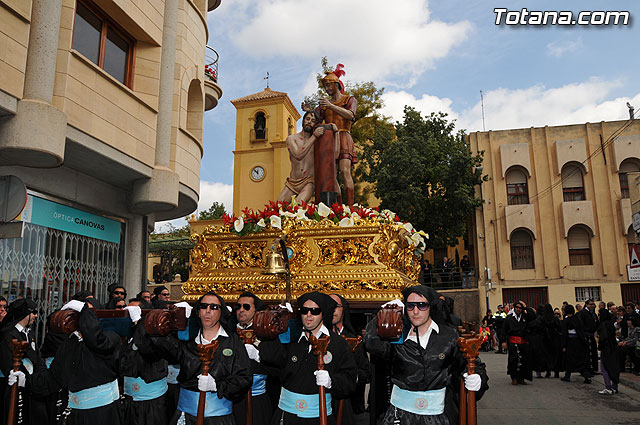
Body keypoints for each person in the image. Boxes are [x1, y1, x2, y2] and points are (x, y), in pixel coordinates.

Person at [364, 285, 488, 425]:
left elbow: (470, 362)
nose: (415, 311)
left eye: (422, 305)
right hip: (400, 415)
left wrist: (478, 376)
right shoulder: (397, 335)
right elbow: (371, 344)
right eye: (410, 306)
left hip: (437, 416)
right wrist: (382, 315)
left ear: (430, 307)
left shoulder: (448, 336)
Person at [142, 291, 252, 424]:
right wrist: (158, 325)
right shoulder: (187, 340)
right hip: (186, 416)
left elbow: (244, 378)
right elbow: (163, 350)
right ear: (198, 312)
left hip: (219, 418)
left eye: (214, 307)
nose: (208, 311)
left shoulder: (233, 342)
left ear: (221, 311)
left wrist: (217, 385)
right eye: (203, 306)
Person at [258, 291, 357, 424]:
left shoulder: (337, 344)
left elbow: (350, 380)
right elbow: (273, 366)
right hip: (286, 416)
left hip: (319, 417)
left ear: (323, 314)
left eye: (315, 311)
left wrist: (331, 381)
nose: (309, 315)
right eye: (305, 310)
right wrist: (267, 339)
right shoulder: (290, 339)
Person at [50, 298, 124, 424]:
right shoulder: (69, 342)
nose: (82, 317)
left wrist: (84, 310)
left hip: (102, 414)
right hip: (75, 412)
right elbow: (54, 376)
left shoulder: (110, 337)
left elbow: (95, 339)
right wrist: (26, 380)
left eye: (88, 313)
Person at [304, 64, 358, 206]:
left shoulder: (349, 100)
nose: (327, 89)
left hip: (344, 136)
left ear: (337, 85)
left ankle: (351, 207)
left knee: (345, 172)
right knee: (332, 175)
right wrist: (309, 110)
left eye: (329, 86)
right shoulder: (324, 105)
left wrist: (331, 106)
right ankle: (338, 207)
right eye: (325, 87)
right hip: (329, 141)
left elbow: (351, 116)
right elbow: (315, 119)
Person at [0, 298, 58, 424]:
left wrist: (40, 376)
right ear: (24, 313)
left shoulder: (29, 333)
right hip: (15, 387)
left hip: (32, 386)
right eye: (34, 312)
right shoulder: (8, 335)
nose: (36, 316)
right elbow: (8, 363)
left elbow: (37, 357)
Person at [231, 292, 273, 425]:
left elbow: (278, 365)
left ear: (256, 311)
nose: (241, 310)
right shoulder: (229, 332)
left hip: (258, 399)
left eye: (246, 307)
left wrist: (259, 356)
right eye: (238, 307)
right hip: (232, 399)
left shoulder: (266, 333)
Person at [329, 294, 371, 422]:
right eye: (328, 306)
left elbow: (366, 374)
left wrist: (347, 377)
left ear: (344, 310)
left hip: (350, 405)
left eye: (336, 306)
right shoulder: (317, 338)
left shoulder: (355, 340)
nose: (332, 309)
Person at [277, 111, 327, 203]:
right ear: (303, 121)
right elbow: (298, 155)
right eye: (307, 119)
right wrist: (314, 136)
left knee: (298, 206)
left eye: (313, 121)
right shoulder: (291, 139)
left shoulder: (317, 142)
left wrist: (335, 133)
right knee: (277, 208)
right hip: (292, 182)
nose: (309, 122)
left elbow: (333, 153)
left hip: (308, 181)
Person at [503, 300, 535, 385]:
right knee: (514, 359)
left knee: (524, 360)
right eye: (517, 307)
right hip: (513, 341)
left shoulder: (525, 317)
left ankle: (522, 378)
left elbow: (533, 316)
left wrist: (525, 307)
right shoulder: (509, 318)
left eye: (520, 308)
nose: (518, 309)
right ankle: (514, 377)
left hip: (523, 341)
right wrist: (503, 342)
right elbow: (504, 330)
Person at [560, 304, 592, 383]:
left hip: (570, 342)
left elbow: (564, 334)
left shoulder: (566, 321)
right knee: (581, 360)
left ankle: (567, 376)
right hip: (580, 342)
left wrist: (563, 345)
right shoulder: (578, 319)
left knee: (569, 360)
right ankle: (586, 376)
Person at [597, 308, 620, 394]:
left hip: (606, 349)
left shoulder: (603, 325)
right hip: (613, 347)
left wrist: (600, 345)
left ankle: (608, 387)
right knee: (613, 367)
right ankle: (614, 387)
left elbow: (604, 338)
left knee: (605, 367)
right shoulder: (611, 324)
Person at [577, 299, 599, 375]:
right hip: (585, 336)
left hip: (592, 335)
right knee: (586, 353)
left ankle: (593, 368)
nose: (592, 306)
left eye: (593, 304)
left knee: (593, 353)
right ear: (586, 305)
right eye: (590, 304)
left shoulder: (593, 314)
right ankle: (585, 369)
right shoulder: (582, 313)